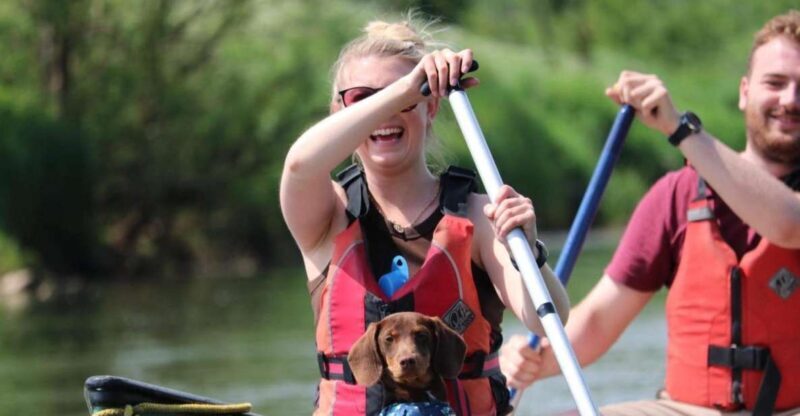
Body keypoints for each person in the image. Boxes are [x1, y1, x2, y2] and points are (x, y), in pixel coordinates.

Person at [500, 9, 800, 415]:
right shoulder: (675, 197)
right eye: (776, 83)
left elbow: (787, 224)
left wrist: (680, 130)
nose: (790, 100)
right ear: (745, 91)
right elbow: (599, 322)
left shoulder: (695, 143)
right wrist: (537, 358)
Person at [279, 15, 570, 416]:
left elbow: (546, 319)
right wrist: (402, 89)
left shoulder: (479, 214)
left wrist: (530, 253)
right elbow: (299, 166)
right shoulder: (327, 212)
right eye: (362, 99)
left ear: (431, 106)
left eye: (407, 102)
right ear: (340, 113)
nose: (386, 114)